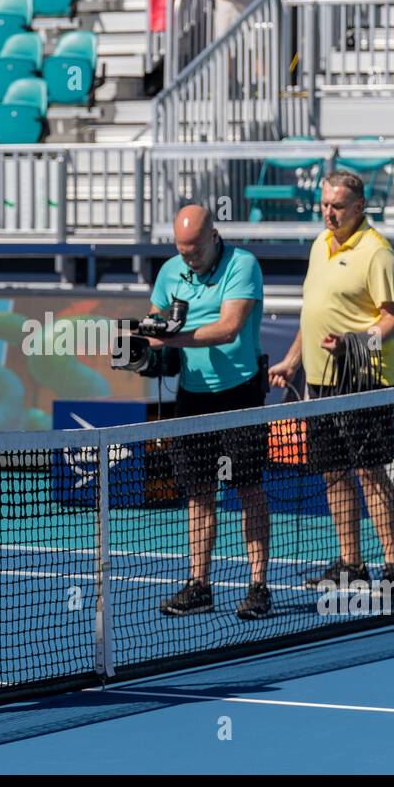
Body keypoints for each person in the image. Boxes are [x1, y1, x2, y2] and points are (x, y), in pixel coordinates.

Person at [269, 171, 394, 590]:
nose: (329, 213)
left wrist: (353, 343)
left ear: (359, 207)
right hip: (320, 382)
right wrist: (292, 361)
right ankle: (352, 563)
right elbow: (314, 315)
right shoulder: (318, 245)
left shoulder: (377, 252)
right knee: (332, 472)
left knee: (369, 471)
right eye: (325, 205)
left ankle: (393, 566)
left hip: (364, 379)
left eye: (338, 206)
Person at [147, 204, 271, 620]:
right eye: (182, 251)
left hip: (240, 393)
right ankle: (199, 583)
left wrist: (172, 341)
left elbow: (229, 328)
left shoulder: (243, 265)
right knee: (199, 492)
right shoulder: (169, 271)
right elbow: (155, 322)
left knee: (247, 488)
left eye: (195, 250)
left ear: (213, 236)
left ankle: (258, 586)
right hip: (192, 395)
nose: (189, 258)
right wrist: (144, 341)